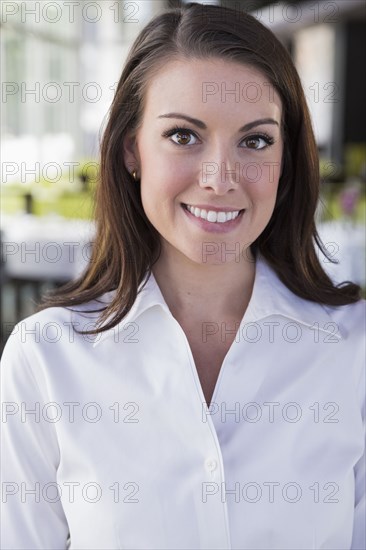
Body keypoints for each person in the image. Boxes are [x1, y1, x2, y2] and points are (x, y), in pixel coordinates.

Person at [1, 3, 365, 549]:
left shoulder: (353, 348)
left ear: (287, 159)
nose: (220, 178)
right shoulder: (46, 358)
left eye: (256, 140)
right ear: (132, 150)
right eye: (183, 136)